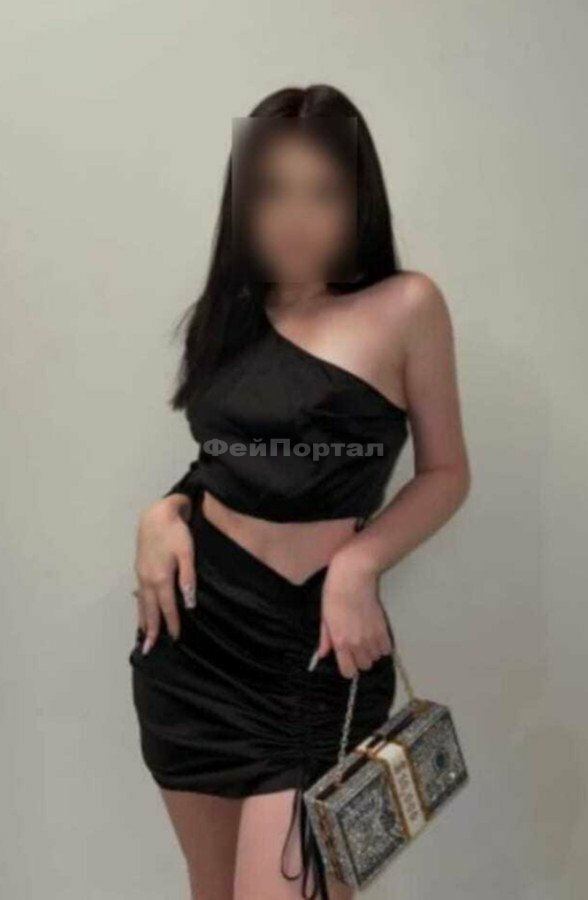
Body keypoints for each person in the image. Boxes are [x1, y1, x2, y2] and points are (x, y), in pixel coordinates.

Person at [129, 84, 471, 900]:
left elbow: (447, 473)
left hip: (314, 651)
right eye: (273, 191)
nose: (295, 217)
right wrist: (161, 512)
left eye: (323, 192)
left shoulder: (406, 306)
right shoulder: (229, 313)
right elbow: (223, 460)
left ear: (360, 200)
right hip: (192, 641)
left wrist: (359, 562)